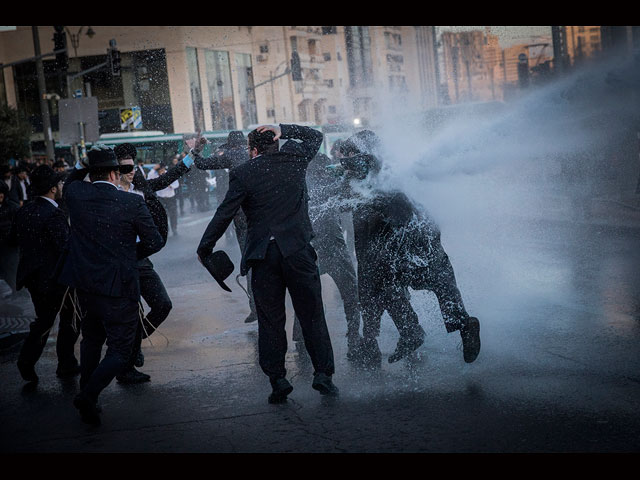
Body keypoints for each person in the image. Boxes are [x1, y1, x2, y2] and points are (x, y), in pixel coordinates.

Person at [196, 124, 338, 404]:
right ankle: (323, 375)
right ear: (274, 143)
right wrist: (282, 129)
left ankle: (278, 379)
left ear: (252, 150)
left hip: (263, 257)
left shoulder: (244, 172)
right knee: (312, 315)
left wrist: (205, 247)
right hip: (298, 252)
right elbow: (315, 136)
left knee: (271, 321)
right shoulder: (296, 161)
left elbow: (224, 213)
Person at [337, 130, 481, 365]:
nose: (346, 159)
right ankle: (459, 324)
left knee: (381, 288)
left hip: (400, 246)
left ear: (362, 154)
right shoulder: (389, 170)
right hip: (417, 242)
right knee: (436, 284)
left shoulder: (373, 177)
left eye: (351, 153)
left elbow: (394, 209)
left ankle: (406, 333)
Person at [59, 145, 163, 425]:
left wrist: (84, 163)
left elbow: (70, 180)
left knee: (91, 339)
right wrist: (128, 257)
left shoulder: (77, 195)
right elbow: (155, 242)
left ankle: (87, 394)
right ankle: (88, 395)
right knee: (120, 349)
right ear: (116, 174)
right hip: (120, 288)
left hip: (86, 286)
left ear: (92, 175)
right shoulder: (131, 203)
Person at [114, 143, 193, 383]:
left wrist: (192, 157)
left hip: (141, 258)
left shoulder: (140, 185)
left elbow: (165, 179)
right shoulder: (108, 192)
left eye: (132, 164)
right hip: (118, 261)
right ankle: (125, 364)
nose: (130, 170)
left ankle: (135, 342)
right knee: (127, 313)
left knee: (162, 305)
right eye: (124, 165)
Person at [9, 165, 79, 382]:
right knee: (71, 319)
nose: (61, 187)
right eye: (58, 183)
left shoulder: (25, 210)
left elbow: (13, 240)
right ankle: (65, 363)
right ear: (51, 189)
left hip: (34, 278)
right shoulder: (53, 213)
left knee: (44, 321)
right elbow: (64, 247)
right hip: (56, 279)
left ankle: (27, 361)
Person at [291, 152, 363, 360]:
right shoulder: (328, 187)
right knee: (351, 295)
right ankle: (354, 338)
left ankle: (301, 339)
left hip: (310, 249)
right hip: (333, 246)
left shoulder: (302, 188)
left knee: (305, 296)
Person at [190, 131, 258, 324]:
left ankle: (255, 307)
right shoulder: (252, 153)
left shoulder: (231, 156)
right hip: (262, 214)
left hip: (242, 216)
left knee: (250, 261)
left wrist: (196, 149)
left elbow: (201, 164)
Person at [0, 180, 20, 296]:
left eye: (1, 193)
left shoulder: (12, 208)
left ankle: (16, 293)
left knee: (11, 273)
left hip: (9, 247)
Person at [148, 163, 180, 236]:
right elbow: (149, 178)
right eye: (159, 170)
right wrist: (153, 169)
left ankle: (174, 228)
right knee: (162, 215)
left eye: (162, 170)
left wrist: (169, 185)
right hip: (160, 198)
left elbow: (176, 184)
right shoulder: (155, 175)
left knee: (173, 214)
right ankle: (165, 230)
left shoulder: (169, 174)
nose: (161, 172)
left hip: (170, 197)